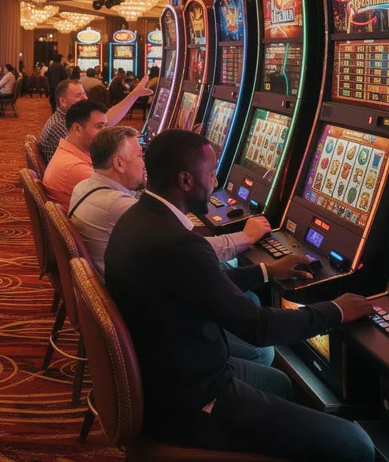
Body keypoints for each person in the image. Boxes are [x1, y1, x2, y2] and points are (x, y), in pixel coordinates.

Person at [104, 130, 376, 461]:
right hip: (191, 401)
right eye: (211, 173)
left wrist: (267, 271)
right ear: (186, 180)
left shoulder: (137, 219)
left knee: (279, 383)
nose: (217, 182)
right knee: (357, 444)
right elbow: (258, 327)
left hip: (168, 375)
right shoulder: (177, 244)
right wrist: (335, 310)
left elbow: (203, 283)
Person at [70, 125, 277, 367]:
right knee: (261, 347)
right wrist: (246, 237)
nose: (145, 164)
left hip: (128, 307)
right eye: (140, 155)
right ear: (118, 163)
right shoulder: (121, 207)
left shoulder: (85, 186)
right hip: (153, 333)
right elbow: (191, 248)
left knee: (234, 281)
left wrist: (265, 270)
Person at [37, 77, 151, 163]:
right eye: (78, 95)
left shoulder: (70, 119)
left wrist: (134, 94)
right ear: (63, 101)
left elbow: (106, 120)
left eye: (84, 94)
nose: (84, 98)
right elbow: (93, 154)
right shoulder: (59, 125)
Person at [40, 100, 105, 208]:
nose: (105, 132)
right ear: (77, 129)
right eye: (99, 126)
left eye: (105, 126)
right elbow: (117, 199)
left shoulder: (69, 151)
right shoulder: (74, 167)